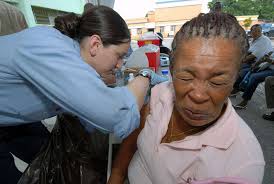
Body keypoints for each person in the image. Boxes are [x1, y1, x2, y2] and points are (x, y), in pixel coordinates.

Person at [0, 6, 166, 184]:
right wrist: (144, 76)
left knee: (47, 156)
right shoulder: (49, 49)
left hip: (13, 117)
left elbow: (90, 112)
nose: (119, 65)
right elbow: (118, 117)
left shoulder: (72, 54)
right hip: (8, 118)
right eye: (119, 56)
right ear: (95, 44)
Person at [108, 13, 265, 184]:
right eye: (185, 77)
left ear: (235, 78)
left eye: (217, 81)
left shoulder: (242, 165)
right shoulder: (160, 94)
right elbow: (131, 142)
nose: (198, 95)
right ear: (172, 69)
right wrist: (115, 177)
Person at [231, 24, 274, 109]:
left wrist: (266, 60)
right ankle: (237, 88)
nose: (256, 32)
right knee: (245, 69)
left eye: (258, 31)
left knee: (253, 76)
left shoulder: (264, 40)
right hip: (265, 66)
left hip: (270, 68)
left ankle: (244, 101)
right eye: (254, 31)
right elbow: (266, 56)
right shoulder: (254, 40)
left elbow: (259, 57)